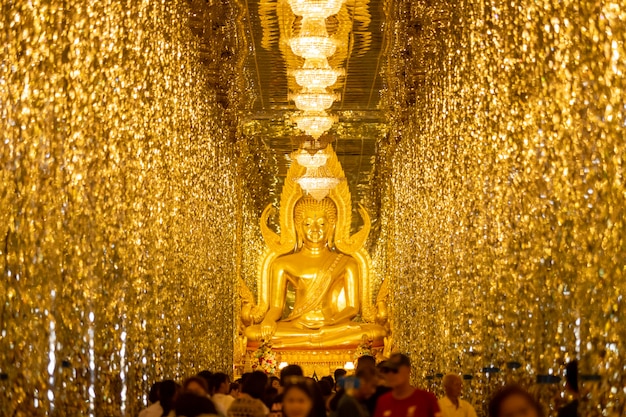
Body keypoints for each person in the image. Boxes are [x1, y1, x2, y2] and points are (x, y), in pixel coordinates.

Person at [373, 353, 441, 417]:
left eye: (395, 370)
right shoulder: (383, 402)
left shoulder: (426, 399)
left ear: (408, 370)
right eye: (387, 370)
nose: (391, 374)